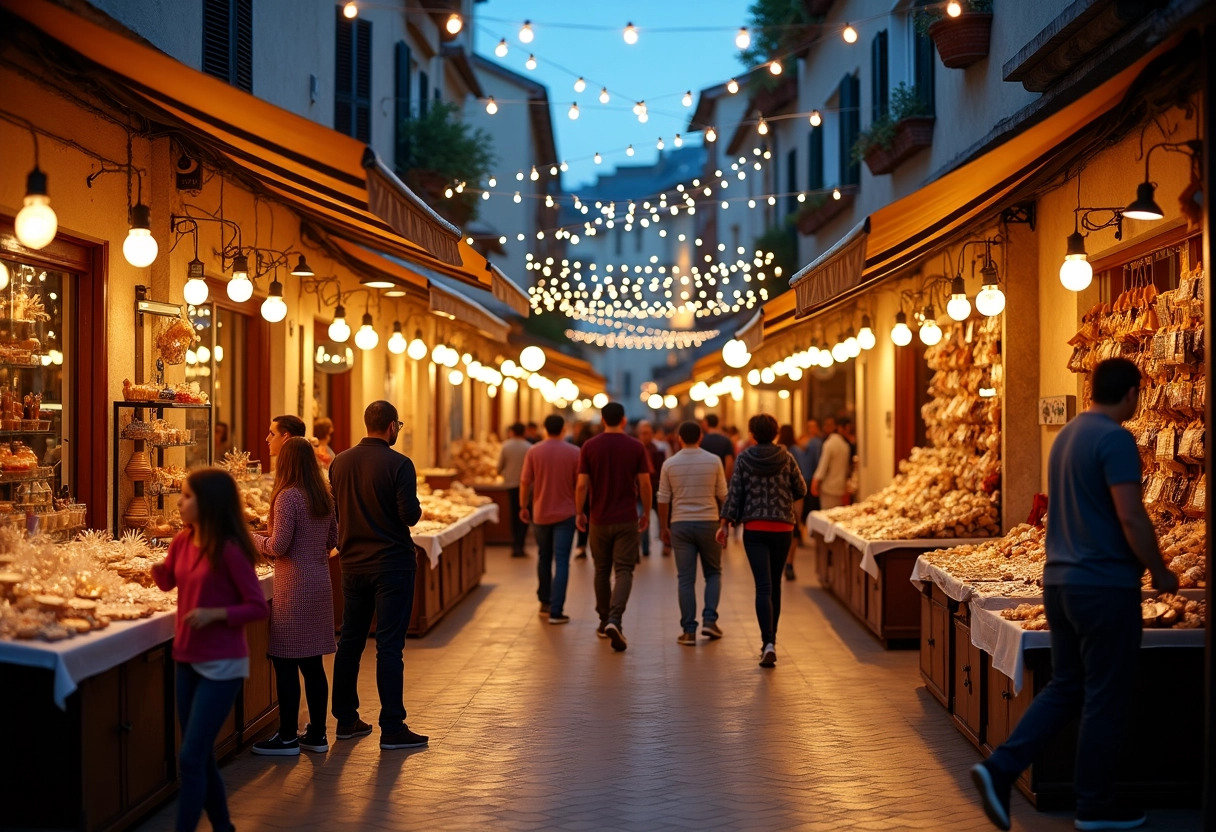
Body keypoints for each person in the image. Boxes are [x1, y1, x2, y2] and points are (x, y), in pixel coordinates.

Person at [970, 359, 1178, 832]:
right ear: (1131, 394)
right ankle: (1095, 805)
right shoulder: (1115, 439)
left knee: (1066, 686)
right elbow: (1130, 514)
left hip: (1060, 581)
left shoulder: (1066, 437)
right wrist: (1159, 569)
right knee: (1105, 694)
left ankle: (1000, 768)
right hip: (1104, 584)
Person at [151, 469, 269, 832]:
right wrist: (149, 567)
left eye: (187, 496)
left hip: (223, 665)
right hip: (186, 658)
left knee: (190, 757)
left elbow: (257, 607)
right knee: (199, 757)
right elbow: (169, 579)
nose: (180, 502)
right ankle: (224, 827)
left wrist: (216, 613)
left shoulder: (230, 550)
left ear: (210, 503)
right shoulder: (182, 542)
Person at [329, 401, 428, 750]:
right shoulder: (400, 464)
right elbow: (409, 515)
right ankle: (393, 726)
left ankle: (345, 720)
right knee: (388, 646)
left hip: (352, 564)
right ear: (391, 427)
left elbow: (338, 511)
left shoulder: (339, 461)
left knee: (350, 643)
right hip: (392, 564)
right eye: (398, 425)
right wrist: (416, 507)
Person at [249, 437, 338, 757]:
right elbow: (332, 540)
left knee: (285, 662)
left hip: (295, 587)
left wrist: (252, 538)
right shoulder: (322, 495)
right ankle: (317, 733)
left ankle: (287, 736)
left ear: (284, 462)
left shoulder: (288, 497)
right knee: (313, 664)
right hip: (320, 584)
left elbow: (278, 546)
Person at [718, 413, 806, 669]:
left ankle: (766, 642)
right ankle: (772, 642)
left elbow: (735, 494)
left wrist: (725, 522)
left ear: (753, 434)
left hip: (755, 528)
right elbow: (801, 489)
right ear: (775, 433)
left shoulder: (745, 458)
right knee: (775, 585)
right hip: (782, 527)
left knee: (763, 586)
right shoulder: (786, 458)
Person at [575, 401, 651, 652]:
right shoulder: (636, 446)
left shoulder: (589, 446)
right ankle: (615, 619)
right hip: (627, 518)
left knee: (601, 570)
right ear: (624, 420)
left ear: (602, 419)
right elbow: (645, 483)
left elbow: (582, 485)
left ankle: (603, 620)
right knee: (624, 570)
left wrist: (579, 512)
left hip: (598, 518)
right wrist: (646, 512)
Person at [657, 421, 727, 646]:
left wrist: (663, 527)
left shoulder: (670, 464)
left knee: (685, 579)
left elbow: (663, 498)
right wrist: (725, 524)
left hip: (680, 524)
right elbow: (723, 495)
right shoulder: (714, 460)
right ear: (700, 437)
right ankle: (709, 620)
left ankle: (688, 631)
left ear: (679, 438)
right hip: (709, 522)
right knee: (713, 573)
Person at [520, 415, 581, 624]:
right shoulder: (574, 452)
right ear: (563, 429)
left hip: (541, 512)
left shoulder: (534, 451)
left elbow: (525, 481)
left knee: (543, 557)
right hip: (566, 512)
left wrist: (523, 506)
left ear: (545, 429)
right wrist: (580, 510)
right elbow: (580, 485)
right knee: (562, 560)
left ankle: (544, 602)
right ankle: (557, 610)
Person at [498, 423, 533, 558]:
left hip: (511, 484)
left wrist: (502, 473)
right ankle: (521, 543)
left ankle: (515, 544)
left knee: (513, 514)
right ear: (524, 432)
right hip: (526, 486)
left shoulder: (506, 446)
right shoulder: (529, 447)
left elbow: (499, 466)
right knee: (524, 513)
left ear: (512, 431)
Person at [777, 424, 806, 582]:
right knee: (794, 531)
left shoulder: (778, 451)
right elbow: (802, 474)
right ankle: (789, 563)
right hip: (794, 496)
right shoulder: (797, 451)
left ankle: (781, 562)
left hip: (780, 496)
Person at [635, 420, 665, 557]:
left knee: (662, 518)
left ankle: (666, 542)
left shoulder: (658, 450)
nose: (645, 436)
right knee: (641, 516)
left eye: (647, 433)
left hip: (656, 489)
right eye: (642, 433)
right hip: (639, 491)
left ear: (651, 433)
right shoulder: (634, 449)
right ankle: (645, 547)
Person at [812, 416, 852, 510]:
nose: (847, 432)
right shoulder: (845, 446)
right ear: (840, 428)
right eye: (846, 429)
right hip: (840, 487)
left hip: (828, 487)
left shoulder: (829, 444)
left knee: (826, 517)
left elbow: (823, 466)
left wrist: (815, 481)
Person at [571, 422, 595, 558]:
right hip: (593, 486)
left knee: (582, 515)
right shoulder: (593, 445)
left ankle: (581, 545)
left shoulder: (577, 445)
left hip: (581, 483)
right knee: (593, 516)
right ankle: (593, 545)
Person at [699, 414, 736, 482]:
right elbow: (729, 463)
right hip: (721, 478)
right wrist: (725, 481)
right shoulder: (726, 440)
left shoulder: (701, 440)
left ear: (706, 423)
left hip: (705, 479)